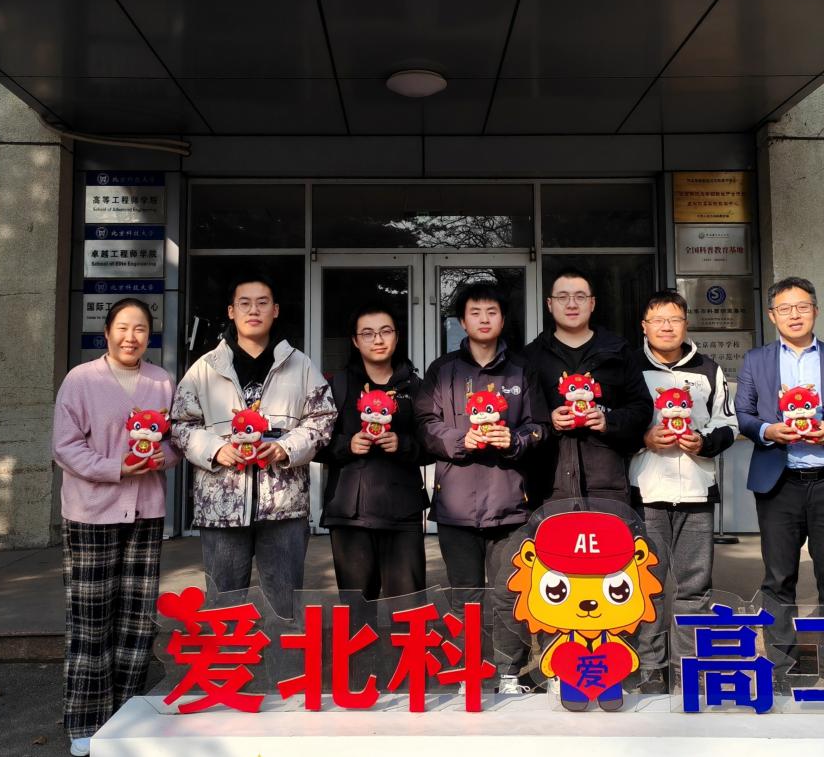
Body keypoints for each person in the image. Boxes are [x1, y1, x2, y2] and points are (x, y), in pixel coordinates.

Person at [52, 298, 177, 757]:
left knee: (137, 619)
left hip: (146, 511)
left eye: (140, 328)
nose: (131, 337)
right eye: (122, 327)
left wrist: (162, 457)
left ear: (149, 335)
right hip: (91, 513)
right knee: (90, 618)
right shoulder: (81, 380)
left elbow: (177, 440)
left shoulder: (162, 381)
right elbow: (65, 446)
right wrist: (116, 468)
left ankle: (127, 715)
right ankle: (86, 721)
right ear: (106, 332)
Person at [171, 274, 337, 619]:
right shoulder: (205, 368)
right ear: (231, 311)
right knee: (224, 609)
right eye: (244, 303)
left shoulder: (299, 364)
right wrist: (215, 450)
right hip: (222, 507)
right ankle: (228, 657)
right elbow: (181, 424)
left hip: (284, 506)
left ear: (275, 310)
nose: (253, 310)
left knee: (284, 609)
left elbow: (323, 418)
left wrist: (285, 448)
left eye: (262, 303)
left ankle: (283, 655)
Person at [735, 276, 824, 656]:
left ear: (815, 311)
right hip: (778, 482)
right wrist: (769, 431)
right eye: (785, 308)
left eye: (802, 307)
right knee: (778, 577)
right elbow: (744, 415)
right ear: (772, 315)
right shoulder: (756, 360)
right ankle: (781, 665)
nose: (794, 315)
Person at [414, 279, 546, 693]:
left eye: (492, 312)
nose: (484, 319)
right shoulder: (443, 371)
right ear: (462, 320)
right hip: (456, 504)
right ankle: (467, 671)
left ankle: (510, 674)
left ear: (503, 319)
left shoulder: (522, 369)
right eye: (475, 312)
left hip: (511, 503)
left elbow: (541, 426)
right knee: (464, 596)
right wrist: (460, 440)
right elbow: (425, 424)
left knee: (509, 594)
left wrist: (517, 439)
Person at [628, 289, 738, 692]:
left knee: (695, 586)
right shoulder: (630, 368)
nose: (667, 327)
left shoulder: (709, 370)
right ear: (645, 326)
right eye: (658, 320)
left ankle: (689, 669)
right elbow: (616, 423)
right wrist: (643, 439)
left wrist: (704, 443)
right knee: (648, 585)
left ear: (686, 324)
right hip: (646, 492)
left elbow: (729, 424)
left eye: (674, 319)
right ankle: (650, 669)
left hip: (696, 490)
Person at [319, 303, 427, 600]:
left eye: (385, 331)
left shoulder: (415, 387)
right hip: (350, 513)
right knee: (357, 610)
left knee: (408, 609)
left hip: (403, 512)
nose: (378, 340)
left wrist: (403, 445)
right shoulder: (337, 386)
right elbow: (315, 443)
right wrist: (347, 445)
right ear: (355, 341)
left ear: (397, 336)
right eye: (367, 333)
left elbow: (432, 445)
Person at [523, 268, 651, 506]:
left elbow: (642, 408)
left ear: (592, 303)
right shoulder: (531, 357)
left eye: (580, 297)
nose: (572, 304)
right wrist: (549, 420)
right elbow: (519, 417)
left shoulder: (617, 351)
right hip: (549, 487)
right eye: (563, 297)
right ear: (550, 304)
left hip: (607, 486)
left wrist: (608, 421)